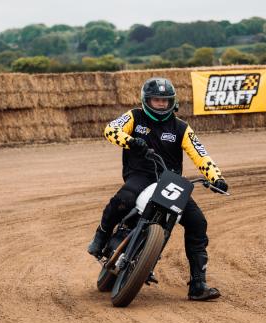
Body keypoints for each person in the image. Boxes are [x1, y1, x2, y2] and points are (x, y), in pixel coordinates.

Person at [88, 77, 228, 301]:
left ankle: (198, 284)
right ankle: (101, 237)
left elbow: (200, 154)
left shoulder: (181, 127)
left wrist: (216, 177)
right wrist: (130, 140)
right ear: (146, 100)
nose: (161, 105)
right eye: (156, 100)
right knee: (123, 198)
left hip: (171, 181)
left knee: (198, 222)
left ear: (172, 102)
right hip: (140, 174)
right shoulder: (134, 116)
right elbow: (110, 130)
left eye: (165, 101)